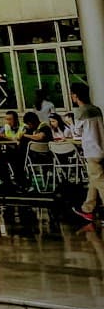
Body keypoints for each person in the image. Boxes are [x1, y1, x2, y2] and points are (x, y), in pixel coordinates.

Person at [72, 81, 104, 227]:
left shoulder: (80, 111)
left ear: (75, 95)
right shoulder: (96, 109)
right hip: (102, 148)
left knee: (101, 183)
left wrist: (70, 122)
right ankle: (87, 208)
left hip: (92, 151)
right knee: (94, 180)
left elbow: (77, 132)